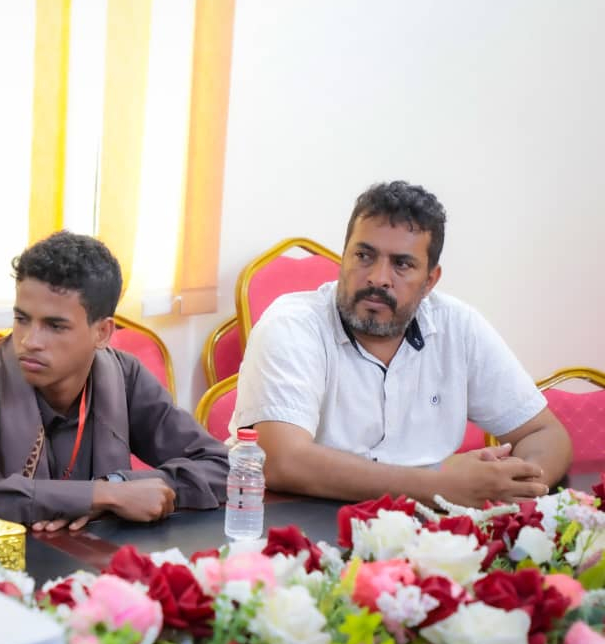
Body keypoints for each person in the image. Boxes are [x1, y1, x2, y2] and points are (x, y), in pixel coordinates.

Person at [229, 181, 571, 507]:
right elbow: (283, 461)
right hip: (300, 521)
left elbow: (545, 433)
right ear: (344, 258)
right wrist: (442, 487)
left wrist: (510, 486)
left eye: (402, 264)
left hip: (427, 526)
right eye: (364, 256)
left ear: (430, 280)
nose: (378, 278)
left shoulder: (458, 325)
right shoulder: (293, 325)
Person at [0, 231, 229, 531]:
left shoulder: (125, 375)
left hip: (104, 553)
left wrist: (119, 483)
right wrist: (101, 495)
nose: (29, 341)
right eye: (22, 319)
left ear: (102, 333)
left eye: (55, 326)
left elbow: (222, 467)